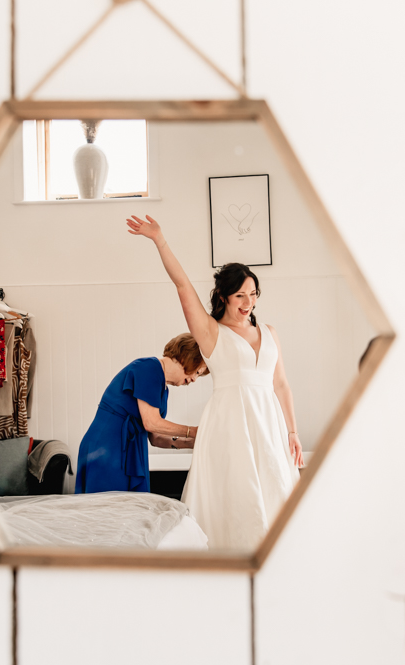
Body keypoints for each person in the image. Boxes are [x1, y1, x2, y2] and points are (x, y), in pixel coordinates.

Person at [127, 214, 302, 550]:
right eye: (240, 296)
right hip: (229, 424)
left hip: (269, 424)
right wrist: (160, 240)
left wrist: (292, 432)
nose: (248, 302)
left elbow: (280, 385)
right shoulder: (210, 333)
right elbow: (182, 286)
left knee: (274, 494)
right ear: (223, 297)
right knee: (235, 497)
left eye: (253, 294)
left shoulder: (270, 333)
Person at [75, 333, 208, 494]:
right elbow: (151, 422)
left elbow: (155, 437)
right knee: (107, 510)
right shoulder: (149, 368)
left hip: (126, 450)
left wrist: (195, 441)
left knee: (124, 512)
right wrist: (193, 431)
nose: (194, 379)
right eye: (197, 372)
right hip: (107, 447)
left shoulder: (162, 388)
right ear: (189, 357)